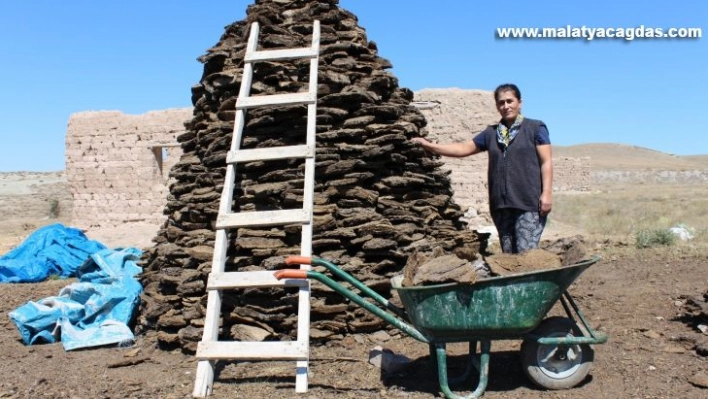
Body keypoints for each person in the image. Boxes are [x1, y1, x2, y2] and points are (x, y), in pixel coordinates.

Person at [412, 83, 553, 254]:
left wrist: (546, 194)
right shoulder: (491, 133)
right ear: (497, 106)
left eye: (510, 101)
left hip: (528, 203)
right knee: (508, 256)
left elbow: (546, 162)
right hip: (501, 205)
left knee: (526, 253)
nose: (506, 106)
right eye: (501, 103)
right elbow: (463, 148)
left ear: (520, 102)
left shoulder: (535, 128)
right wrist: (430, 147)